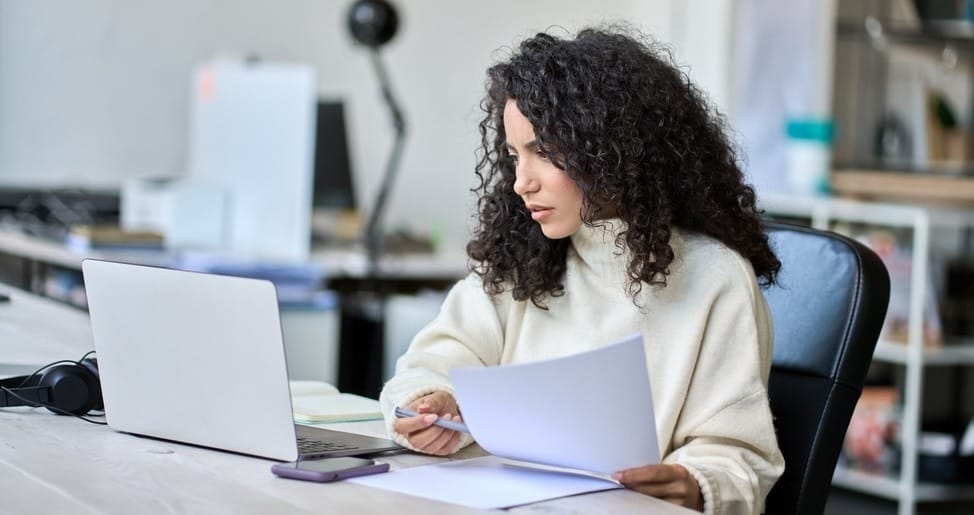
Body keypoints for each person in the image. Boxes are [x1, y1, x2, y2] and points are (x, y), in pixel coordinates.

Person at [379, 25, 785, 514]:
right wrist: (431, 399)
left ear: (615, 149)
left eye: (545, 153)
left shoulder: (715, 279)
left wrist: (695, 482)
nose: (521, 183)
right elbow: (427, 366)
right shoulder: (524, 259)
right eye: (513, 156)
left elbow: (739, 456)